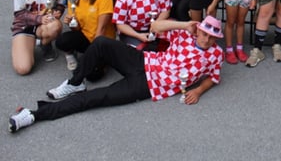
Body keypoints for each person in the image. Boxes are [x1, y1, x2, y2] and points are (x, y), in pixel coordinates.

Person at [9, 16, 224, 133]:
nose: (206, 39)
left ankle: (34, 114)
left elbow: (213, 78)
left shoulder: (216, 54)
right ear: (199, 30)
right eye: (204, 33)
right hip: (144, 60)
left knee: (95, 98)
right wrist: (185, 25)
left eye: (212, 37)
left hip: (150, 85)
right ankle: (75, 82)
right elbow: (155, 26)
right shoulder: (185, 35)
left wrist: (198, 91)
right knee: (102, 43)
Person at [57, 0, 115, 75]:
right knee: (62, 41)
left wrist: (91, 55)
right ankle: (71, 54)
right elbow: (77, 29)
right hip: (86, 37)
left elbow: (101, 30)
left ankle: (103, 62)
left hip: (102, 41)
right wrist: (71, 23)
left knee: (92, 75)